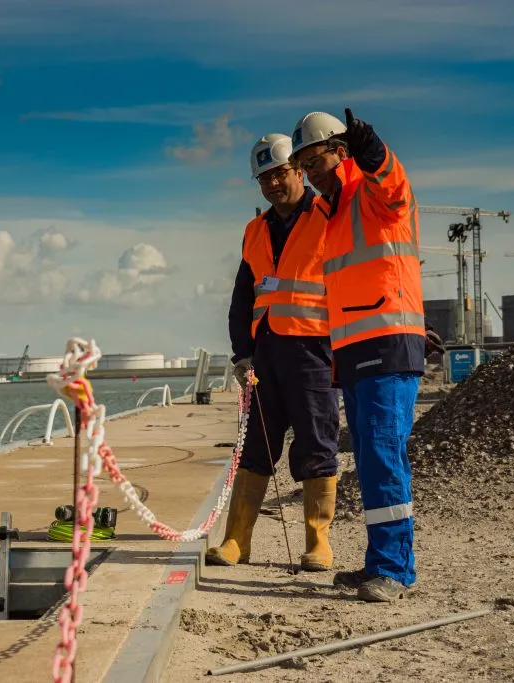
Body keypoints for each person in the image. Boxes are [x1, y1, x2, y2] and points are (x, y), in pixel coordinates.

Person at [287, 108, 430, 602]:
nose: (308, 172)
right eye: (302, 164)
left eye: (314, 159)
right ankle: (380, 564)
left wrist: (374, 150)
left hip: (387, 341)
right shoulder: (333, 211)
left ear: (341, 151)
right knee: (370, 458)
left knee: (384, 452)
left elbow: (393, 184)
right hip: (356, 348)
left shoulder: (369, 192)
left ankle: (394, 569)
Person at [206, 133, 341, 572]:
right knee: (254, 449)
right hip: (265, 355)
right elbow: (241, 299)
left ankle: (318, 543)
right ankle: (236, 541)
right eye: (264, 179)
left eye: (279, 174)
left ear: (299, 171)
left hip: (313, 350)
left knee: (317, 443)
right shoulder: (255, 230)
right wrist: (242, 354)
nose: (272, 185)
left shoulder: (328, 216)